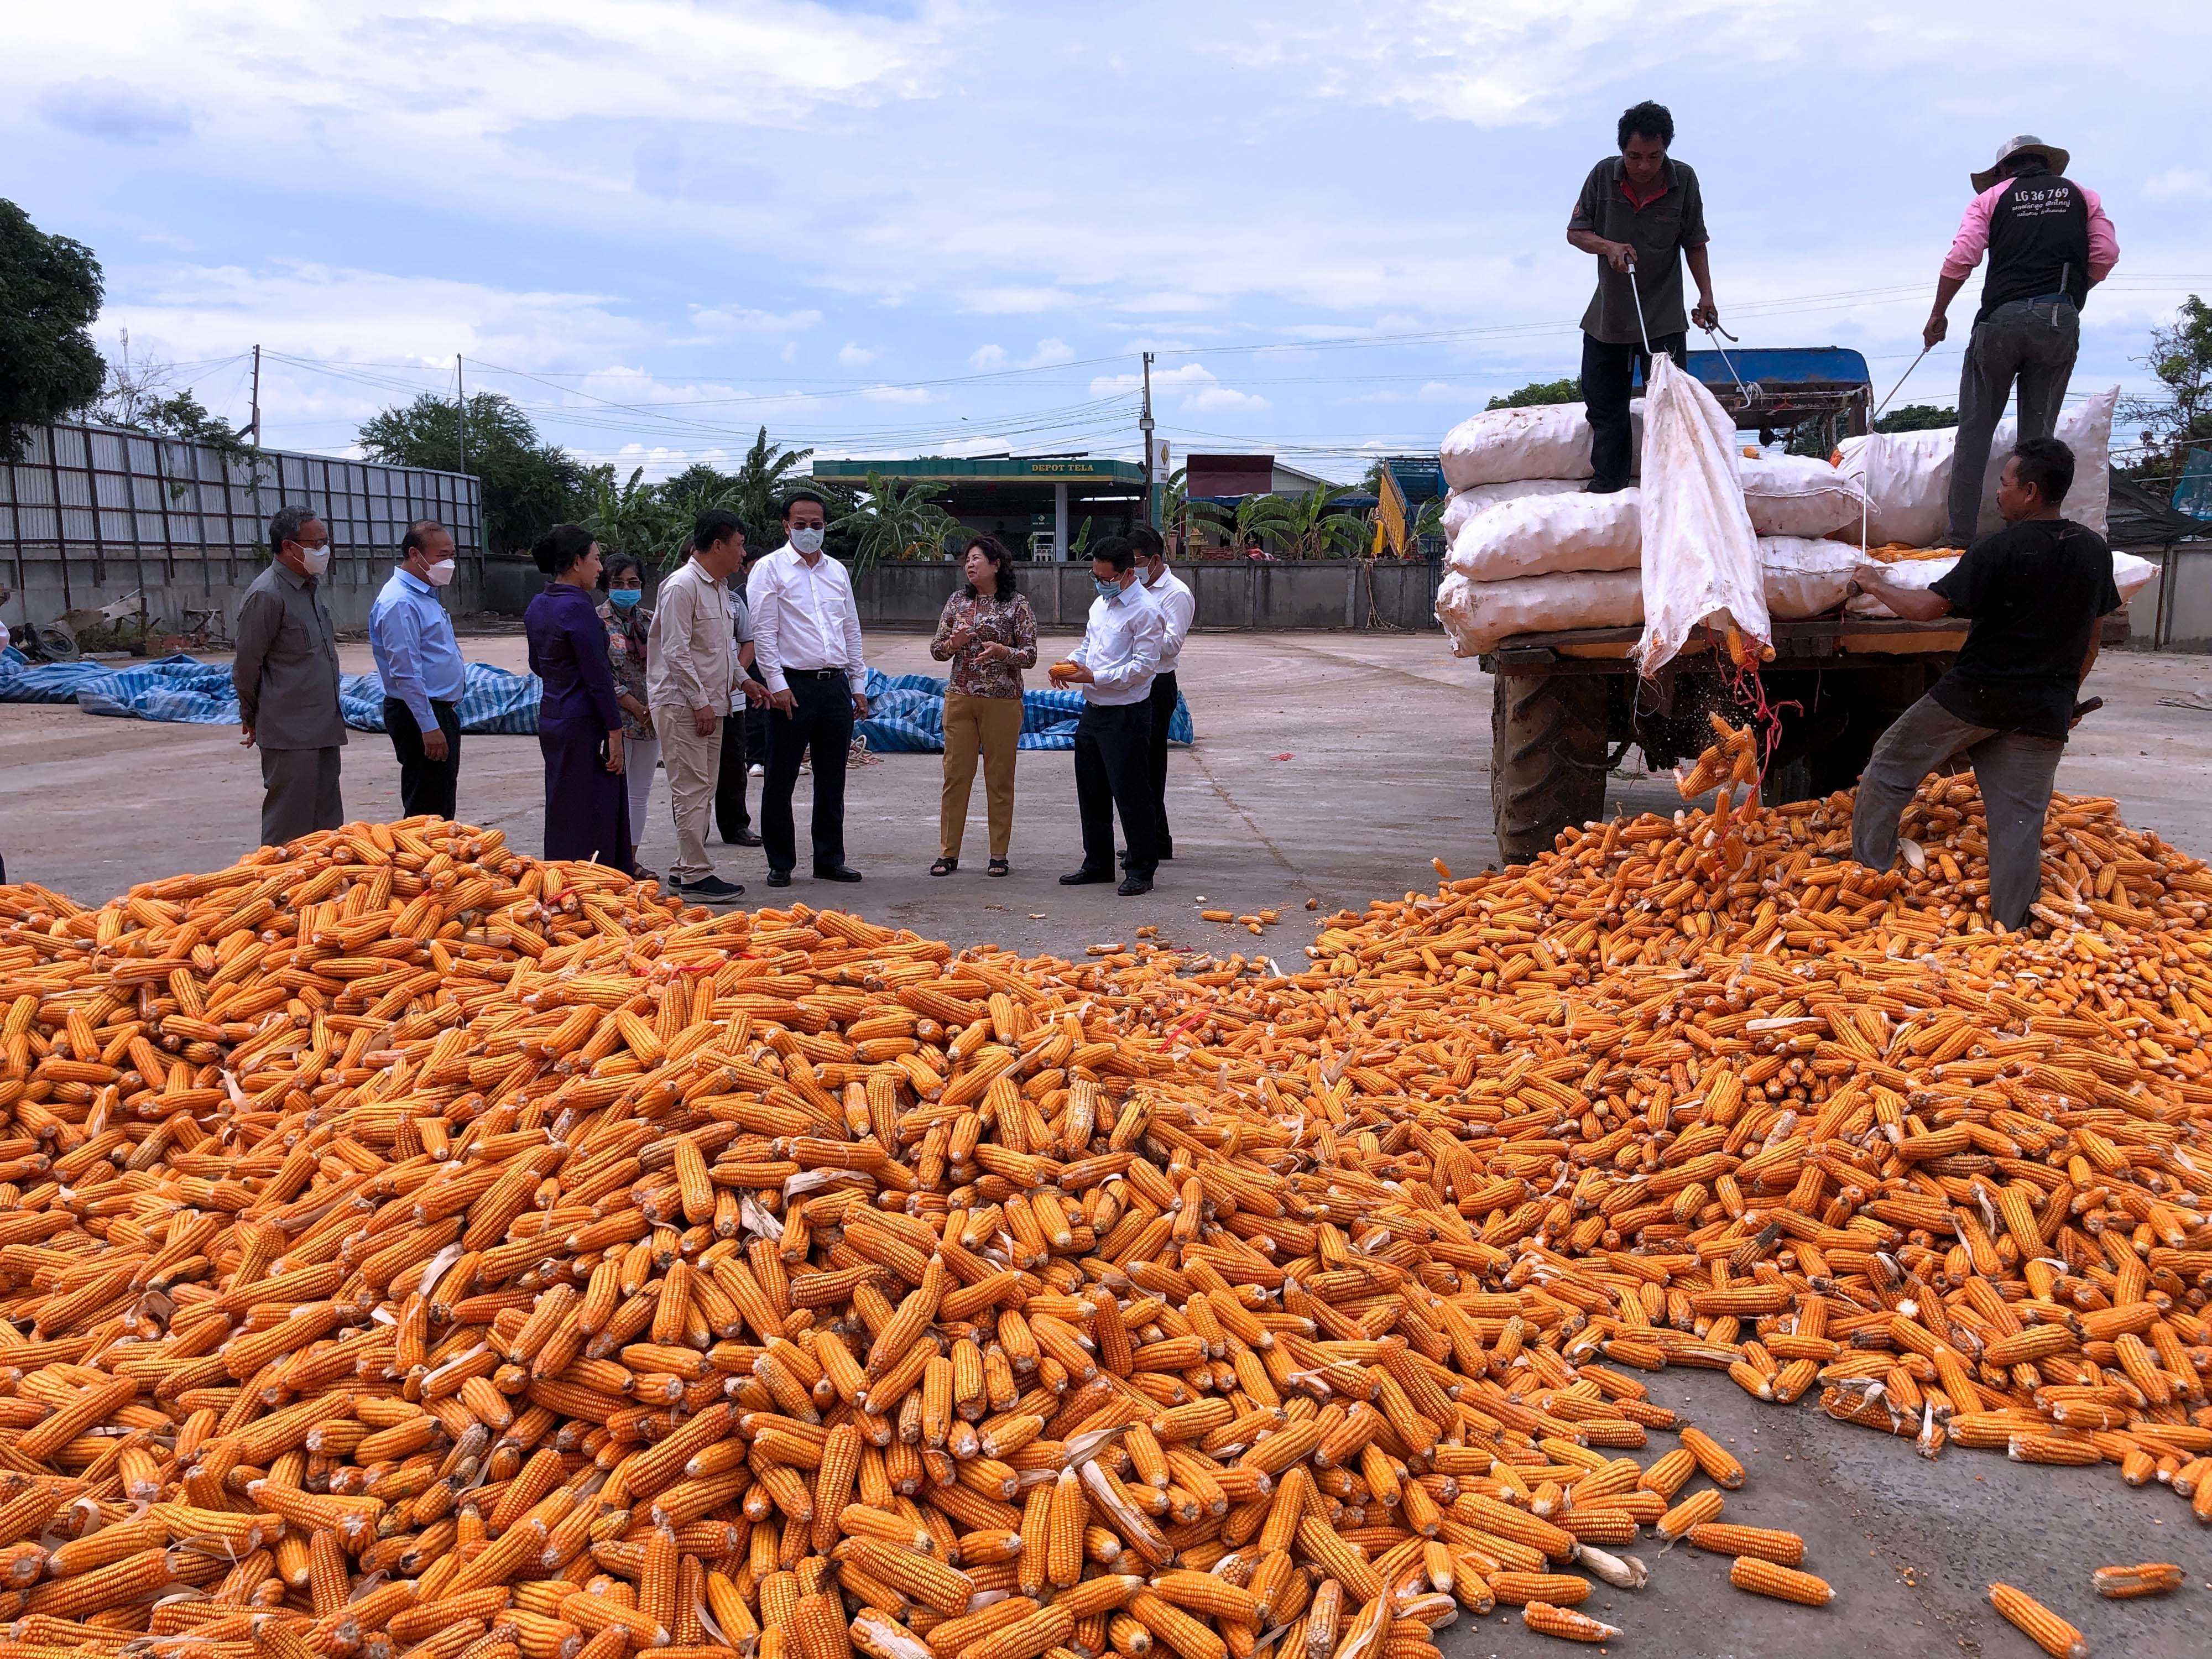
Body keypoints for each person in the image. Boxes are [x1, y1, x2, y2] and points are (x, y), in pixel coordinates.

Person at [1847, 439, 2120, 930]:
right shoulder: (2093, 550)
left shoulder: (1999, 548)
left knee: (1889, 766)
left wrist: (1873, 583)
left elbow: (1926, 610)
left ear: (2031, 492)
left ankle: (1869, 879)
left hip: (1973, 697)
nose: (1999, 494)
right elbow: (2093, 637)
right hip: (2043, 710)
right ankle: (2011, 927)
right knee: (2018, 824)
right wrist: (2064, 697)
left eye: (2006, 483)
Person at [1926, 135, 2120, 544]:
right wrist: (2065, 299)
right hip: (2057, 318)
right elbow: (2105, 255)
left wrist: (1938, 313)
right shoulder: (2083, 196)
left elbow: (1963, 257)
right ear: (2047, 165)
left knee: (1975, 432)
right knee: (2038, 440)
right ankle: (2034, 534)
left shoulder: (1992, 199)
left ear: (2002, 171)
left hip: (2000, 320)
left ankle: (1960, 534)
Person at [1567, 100, 1718, 494]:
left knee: (1670, 407)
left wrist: (1707, 297)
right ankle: (1609, 483)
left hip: (1664, 319)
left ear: (1666, 150)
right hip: (1609, 318)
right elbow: (1576, 232)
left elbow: (1695, 243)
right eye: (1635, 157)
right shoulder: (1603, 176)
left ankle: (1671, 485)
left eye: (1654, 156)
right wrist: (1607, 246)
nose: (1644, 166)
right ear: (1622, 152)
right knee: (1605, 407)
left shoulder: (1684, 180)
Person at [749, 490, 870, 889]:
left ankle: (830, 859)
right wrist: (777, 684)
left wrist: (858, 683)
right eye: (800, 524)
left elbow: (850, 628)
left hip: (834, 686)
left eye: (816, 525)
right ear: (786, 525)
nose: (808, 531)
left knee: (832, 778)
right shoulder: (769, 569)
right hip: (791, 686)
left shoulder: (837, 571)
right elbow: (764, 633)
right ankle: (781, 862)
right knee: (781, 777)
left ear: (825, 526)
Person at [1050, 535, 1167, 897]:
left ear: (1127, 574)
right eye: (1095, 575)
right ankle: (1097, 862)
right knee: (1092, 789)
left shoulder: (1146, 611)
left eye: (1106, 577)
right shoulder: (1100, 605)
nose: (1100, 582)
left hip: (1127, 713)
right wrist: (1071, 665)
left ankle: (1141, 868)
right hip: (1094, 709)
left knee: (1131, 792)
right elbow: (1089, 646)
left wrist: (1095, 677)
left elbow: (1143, 668)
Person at [647, 512, 748, 904]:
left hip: (711, 705)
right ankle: (695, 875)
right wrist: (700, 702)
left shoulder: (721, 588)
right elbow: (675, 650)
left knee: (703, 788)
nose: (742, 553)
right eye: (738, 545)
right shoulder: (682, 586)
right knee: (690, 789)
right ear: (719, 544)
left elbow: (722, 649)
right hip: (684, 705)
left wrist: (745, 681)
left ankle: (685, 867)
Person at [233, 504, 346, 847]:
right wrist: (251, 715)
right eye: (315, 544)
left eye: (326, 542)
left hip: (324, 726)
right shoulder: (267, 595)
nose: (323, 551)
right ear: (287, 546)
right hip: (289, 732)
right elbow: (247, 664)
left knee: (327, 828)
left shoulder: (309, 589)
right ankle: (274, 895)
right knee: (289, 827)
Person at [929, 534, 1038, 878]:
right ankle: (948, 853)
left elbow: (1031, 656)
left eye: (978, 559)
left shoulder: (1017, 605)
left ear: (996, 565)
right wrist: (953, 642)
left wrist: (1004, 652)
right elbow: (936, 650)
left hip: (1003, 701)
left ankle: (998, 854)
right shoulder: (957, 601)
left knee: (1000, 778)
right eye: (967, 560)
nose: (970, 565)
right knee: (956, 776)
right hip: (961, 696)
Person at [524, 525, 629, 873]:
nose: (600, 568)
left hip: (553, 714)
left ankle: (557, 877)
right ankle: (594, 885)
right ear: (576, 562)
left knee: (563, 805)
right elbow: (598, 677)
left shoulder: (539, 604)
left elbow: (536, 665)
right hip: (586, 720)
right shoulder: (579, 609)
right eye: (596, 559)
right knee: (595, 810)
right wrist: (614, 731)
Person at [368, 519, 465, 822]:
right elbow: (405, 672)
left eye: (452, 555)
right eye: (442, 555)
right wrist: (429, 726)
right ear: (415, 554)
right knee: (427, 809)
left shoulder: (425, 593)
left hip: (437, 710)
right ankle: (424, 867)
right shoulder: (400, 602)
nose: (449, 563)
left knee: (441, 801)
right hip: (420, 714)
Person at [1130, 525, 1193, 863]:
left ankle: (1153, 839)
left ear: (1154, 560)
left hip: (1157, 685)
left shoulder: (1176, 594)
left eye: (1137, 562)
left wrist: (1137, 637)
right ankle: (1153, 836)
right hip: (1132, 683)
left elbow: (1170, 645)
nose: (1133, 570)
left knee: (1151, 764)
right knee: (1137, 763)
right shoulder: (1132, 590)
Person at [598, 554, 659, 880]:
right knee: (612, 791)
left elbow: (667, 662)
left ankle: (630, 861)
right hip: (616, 719)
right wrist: (635, 706)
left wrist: (656, 707)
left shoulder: (654, 620)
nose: (626, 589)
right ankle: (608, 859)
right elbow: (600, 672)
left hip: (653, 718)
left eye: (633, 583)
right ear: (606, 586)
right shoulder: (597, 622)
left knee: (640, 792)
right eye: (618, 583)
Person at [713, 540, 767, 851]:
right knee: (697, 773)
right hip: (697, 700)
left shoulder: (735, 601)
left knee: (733, 763)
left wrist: (738, 678)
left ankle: (736, 825)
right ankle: (695, 833)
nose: (743, 555)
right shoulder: (681, 592)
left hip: (732, 698)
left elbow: (749, 641)